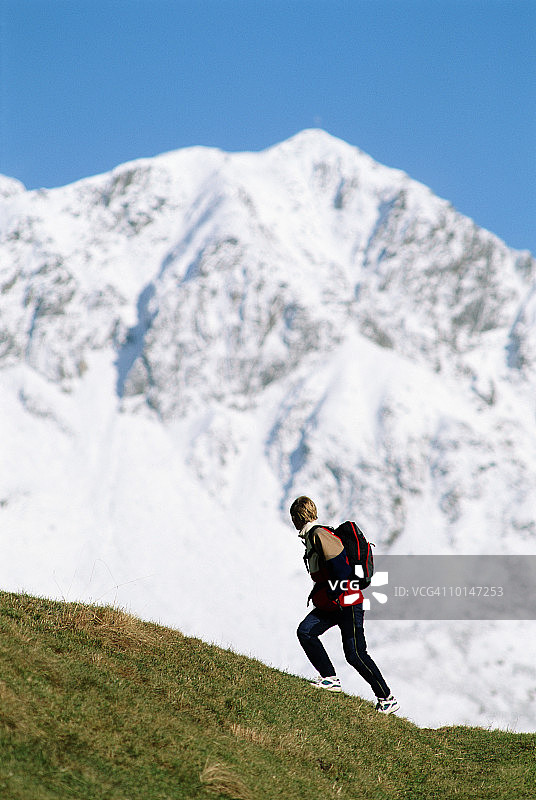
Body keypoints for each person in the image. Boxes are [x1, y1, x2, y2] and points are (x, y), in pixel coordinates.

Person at [290, 495, 399, 714]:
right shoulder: (313, 536)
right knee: (305, 632)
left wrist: (333, 592)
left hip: (347, 603)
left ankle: (387, 699)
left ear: (297, 517)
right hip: (334, 604)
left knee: (355, 654)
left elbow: (340, 567)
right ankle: (330, 678)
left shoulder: (319, 534)